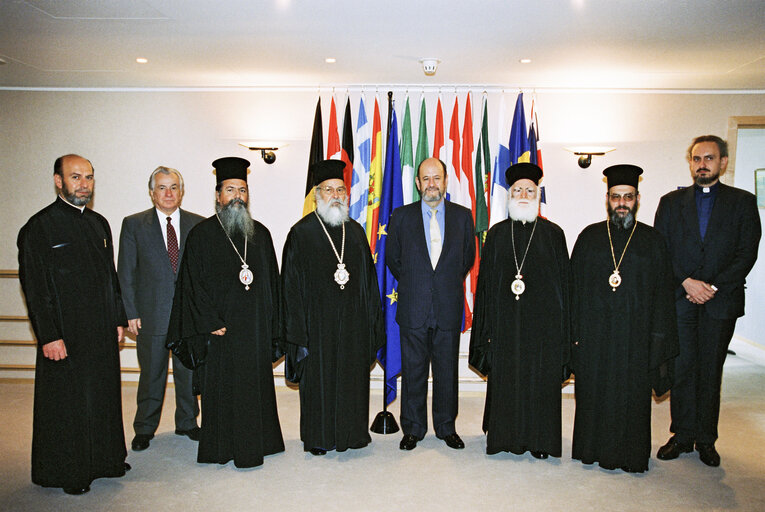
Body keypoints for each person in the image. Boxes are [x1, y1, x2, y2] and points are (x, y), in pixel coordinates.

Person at [17, 154, 130, 495]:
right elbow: (34, 287)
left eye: (89, 177)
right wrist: (48, 336)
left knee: (104, 397)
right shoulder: (39, 227)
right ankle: (70, 473)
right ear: (58, 181)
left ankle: (107, 460)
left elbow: (111, 278)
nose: (84, 184)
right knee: (69, 405)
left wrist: (118, 318)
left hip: (101, 332)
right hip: (65, 335)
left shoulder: (100, 224)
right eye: (76, 177)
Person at [166, 156, 284, 468]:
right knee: (222, 389)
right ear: (218, 195)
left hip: (254, 330)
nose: (237, 196)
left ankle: (259, 442)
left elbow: (272, 284)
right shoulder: (202, 235)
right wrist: (208, 321)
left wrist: (272, 325)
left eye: (242, 190)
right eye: (230, 190)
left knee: (253, 387)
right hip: (220, 330)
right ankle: (221, 447)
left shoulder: (261, 233)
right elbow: (190, 284)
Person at [654, 135, 761, 467]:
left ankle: (707, 439)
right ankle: (682, 436)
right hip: (681, 298)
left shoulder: (743, 202)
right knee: (682, 368)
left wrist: (711, 285)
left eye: (710, 158)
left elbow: (747, 252)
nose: (702, 164)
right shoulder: (670, 202)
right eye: (697, 158)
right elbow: (662, 249)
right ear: (690, 162)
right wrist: (687, 281)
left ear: (723, 162)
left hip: (720, 300)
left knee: (710, 369)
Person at [570, 164, 678, 473]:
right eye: (616, 197)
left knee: (632, 397)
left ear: (638, 199)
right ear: (606, 198)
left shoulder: (653, 241)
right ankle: (590, 450)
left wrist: (658, 342)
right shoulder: (589, 237)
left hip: (636, 338)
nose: (621, 204)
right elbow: (573, 290)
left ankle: (630, 455)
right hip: (595, 338)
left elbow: (662, 297)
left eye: (628, 197)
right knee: (593, 394)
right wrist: (574, 336)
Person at [281, 159, 385, 455]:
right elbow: (289, 289)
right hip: (317, 330)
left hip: (352, 326)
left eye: (340, 189)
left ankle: (353, 434)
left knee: (352, 381)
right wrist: (299, 333)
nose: (336, 195)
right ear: (317, 194)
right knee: (320, 383)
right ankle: (319, 438)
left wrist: (369, 325)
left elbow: (368, 284)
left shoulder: (355, 232)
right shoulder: (300, 234)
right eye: (329, 190)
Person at [469, 162, 570, 459]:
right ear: (510, 196)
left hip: (543, 331)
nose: (524, 194)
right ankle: (505, 438)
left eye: (530, 190)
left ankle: (539, 441)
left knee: (540, 382)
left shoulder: (553, 234)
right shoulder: (498, 235)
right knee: (507, 379)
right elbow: (485, 288)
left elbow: (564, 288)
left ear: (537, 195)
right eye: (518, 190)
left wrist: (563, 335)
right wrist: (485, 332)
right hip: (505, 328)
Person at [386, 157, 475, 451]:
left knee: (447, 372)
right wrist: (420, 285)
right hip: (413, 307)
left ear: (446, 181)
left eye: (437, 178)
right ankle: (412, 428)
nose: (432, 184)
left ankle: (446, 427)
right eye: (426, 179)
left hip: (448, 307)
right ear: (417, 183)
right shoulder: (401, 217)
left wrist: (441, 285)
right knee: (413, 372)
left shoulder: (463, 217)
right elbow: (394, 261)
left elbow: (466, 260)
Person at [118, 166, 204, 452]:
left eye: (174, 187)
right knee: (152, 373)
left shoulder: (199, 224)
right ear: (152, 192)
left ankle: (188, 422)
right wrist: (129, 311)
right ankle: (144, 427)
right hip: (150, 315)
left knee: (188, 372)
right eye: (162, 188)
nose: (168, 193)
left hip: (187, 317)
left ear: (181, 190)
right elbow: (126, 273)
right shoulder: (133, 225)